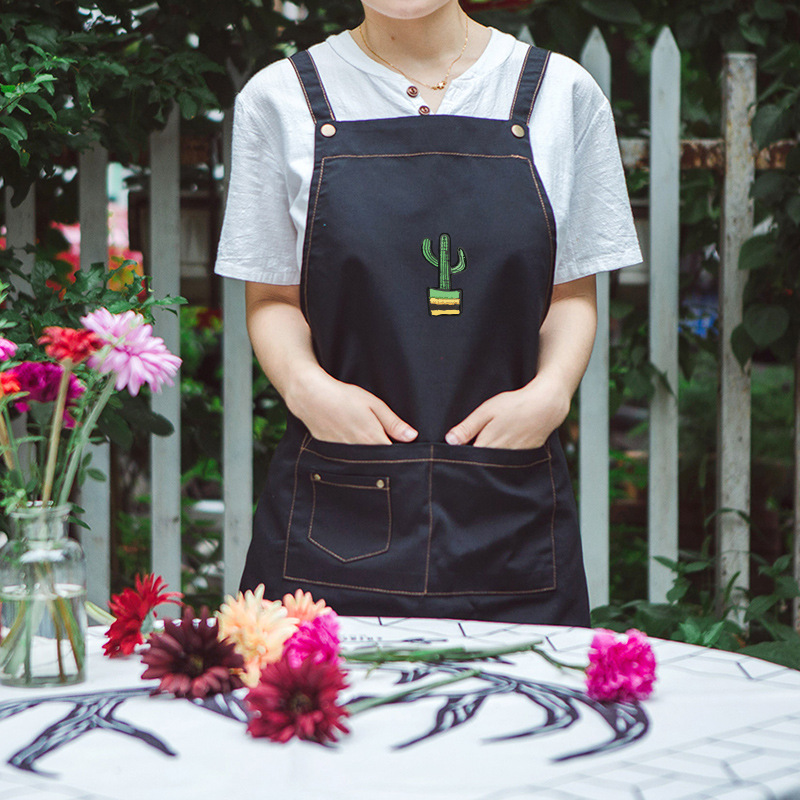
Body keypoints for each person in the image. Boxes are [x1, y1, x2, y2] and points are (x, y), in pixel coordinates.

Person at [214, 0, 642, 625]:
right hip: (339, 498)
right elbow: (273, 298)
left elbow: (570, 293)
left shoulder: (561, 93)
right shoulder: (280, 99)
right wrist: (308, 389)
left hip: (508, 499)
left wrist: (551, 393)